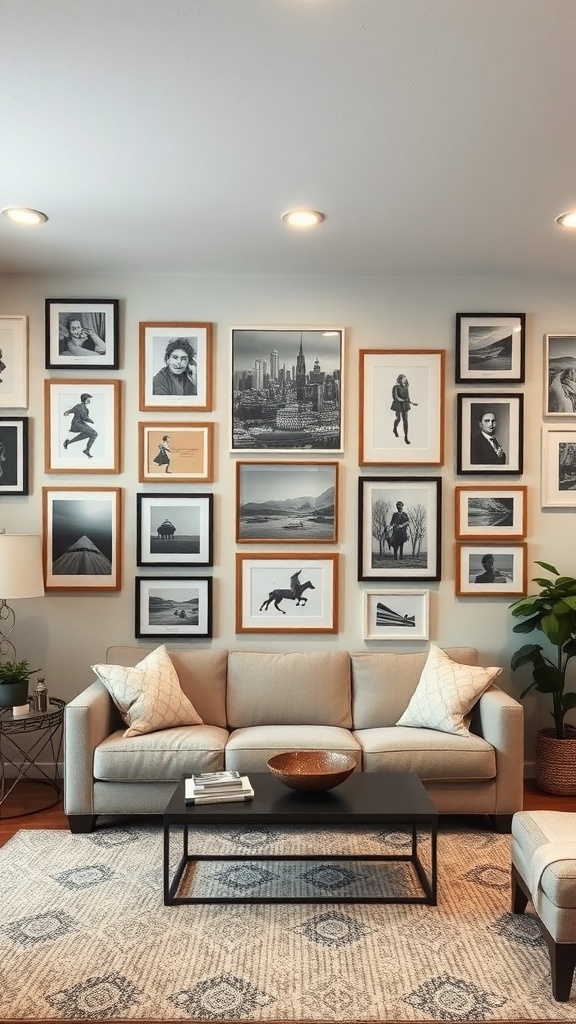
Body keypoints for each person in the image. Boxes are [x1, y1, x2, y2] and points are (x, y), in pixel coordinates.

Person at [63, 393, 98, 458]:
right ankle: (87, 450)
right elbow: (72, 410)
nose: (89, 400)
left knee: (91, 434)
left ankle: (68, 443)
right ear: (84, 399)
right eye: (88, 399)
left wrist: (91, 421)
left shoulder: (86, 409)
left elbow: (85, 418)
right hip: (77, 424)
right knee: (94, 434)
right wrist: (67, 412)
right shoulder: (79, 406)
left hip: (81, 423)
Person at [390, 374, 417, 445]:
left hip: (405, 405)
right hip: (398, 405)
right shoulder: (395, 387)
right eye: (403, 380)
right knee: (398, 418)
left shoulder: (406, 388)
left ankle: (406, 437)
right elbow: (395, 397)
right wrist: (403, 400)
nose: (404, 381)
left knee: (405, 421)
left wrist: (412, 402)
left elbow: (408, 398)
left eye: (405, 380)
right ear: (399, 380)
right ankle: (395, 429)